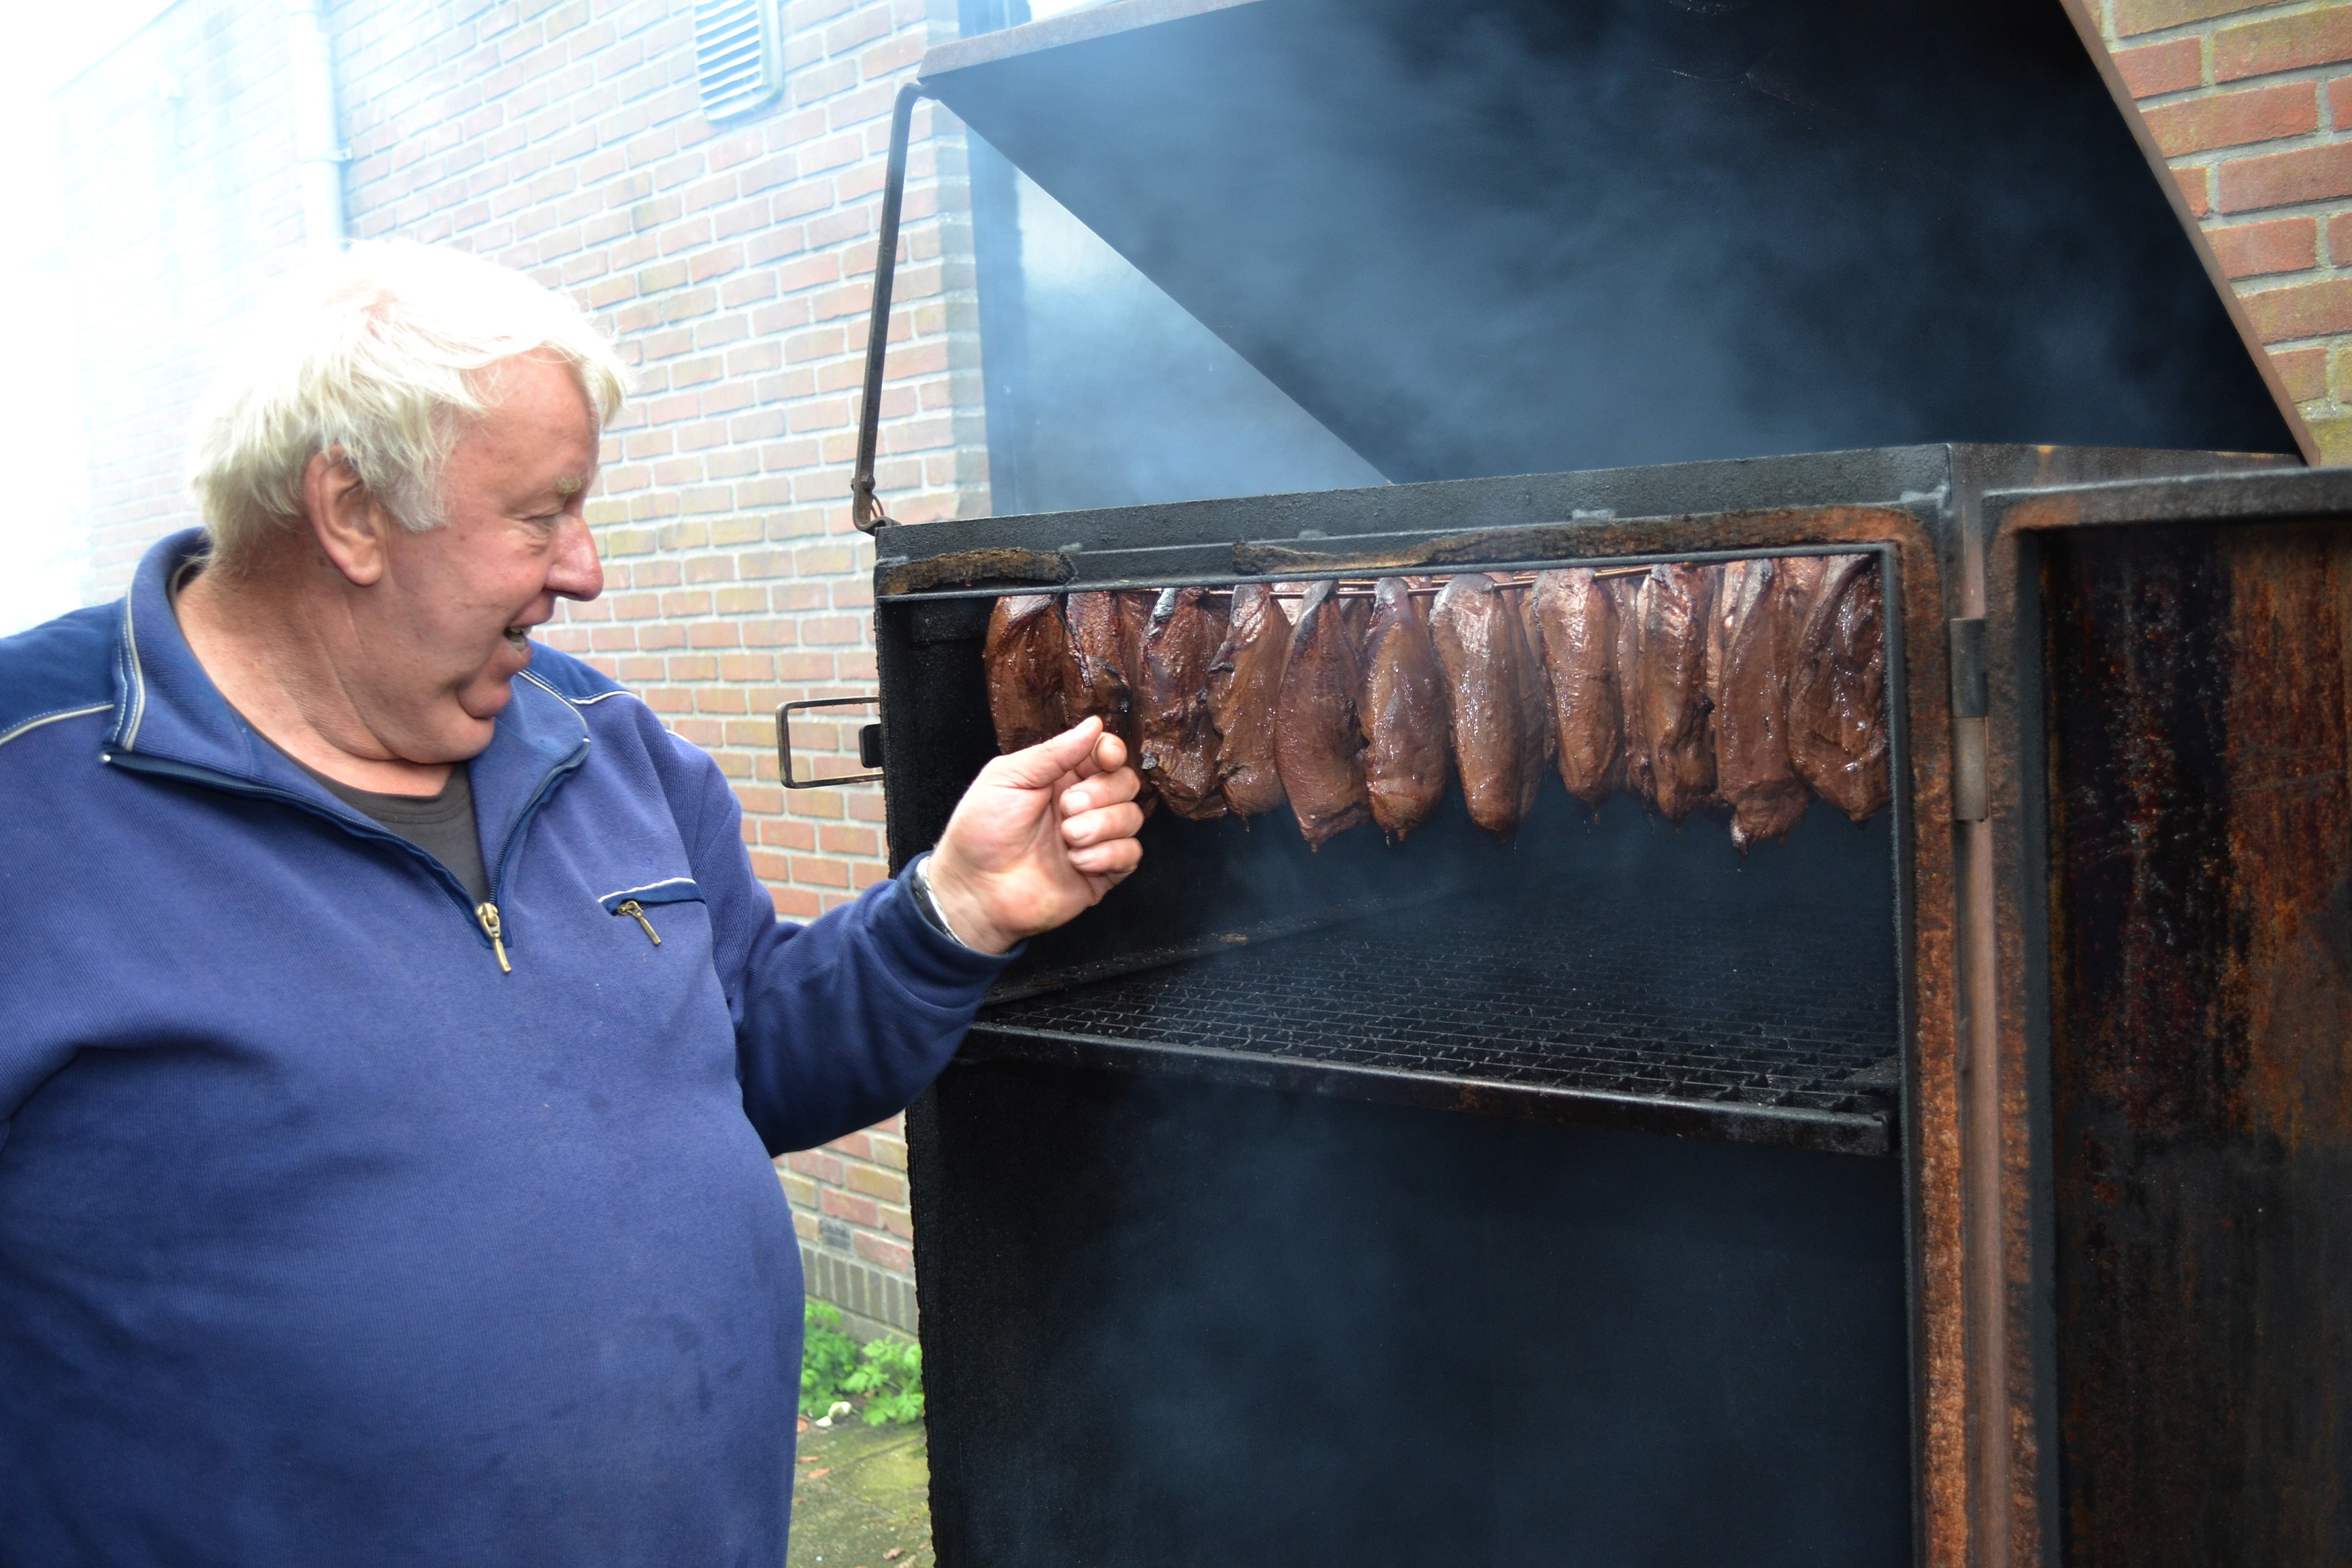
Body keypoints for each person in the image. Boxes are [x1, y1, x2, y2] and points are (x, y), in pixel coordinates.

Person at [0, 240, 1143, 1563]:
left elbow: (755, 1053)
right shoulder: (36, 794)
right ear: (351, 512)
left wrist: (957, 906)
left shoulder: (606, 741)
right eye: (542, 514)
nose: (586, 569)